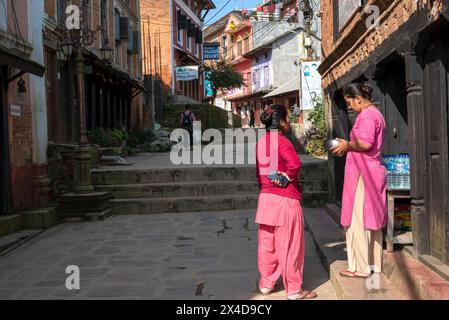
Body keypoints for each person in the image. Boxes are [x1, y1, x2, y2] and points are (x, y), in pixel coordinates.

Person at [255, 104, 318, 300]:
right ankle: (294, 290)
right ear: (281, 122)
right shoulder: (282, 142)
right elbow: (295, 165)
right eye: (287, 118)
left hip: (266, 199)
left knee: (267, 244)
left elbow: (259, 174)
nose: (289, 122)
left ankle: (266, 284)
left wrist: (269, 185)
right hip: (285, 199)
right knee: (290, 245)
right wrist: (287, 178)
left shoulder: (261, 143)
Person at [330, 82, 387, 278]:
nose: (350, 108)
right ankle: (373, 264)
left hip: (364, 174)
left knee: (358, 220)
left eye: (349, 103)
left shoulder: (368, 115)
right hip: (370, 171)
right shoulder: (375, 114)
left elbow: (365, 143)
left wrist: (347, 145)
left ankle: (361, 267)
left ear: (358, 98)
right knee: (370, 220)